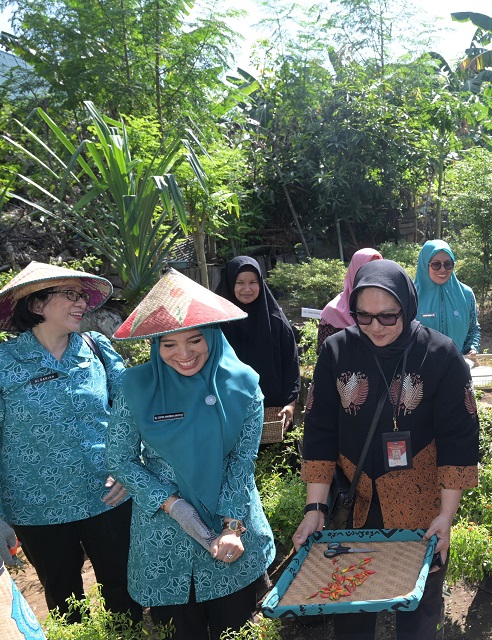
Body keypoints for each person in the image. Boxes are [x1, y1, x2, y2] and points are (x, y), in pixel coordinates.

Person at [294, 259, 479, 640]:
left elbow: (458, 439)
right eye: (363, 316)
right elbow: (320, 432)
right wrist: (314, 509)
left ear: (407, 307)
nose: (375, 327)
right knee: (350, 603)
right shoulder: (337, 351)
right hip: (355, 501)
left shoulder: (440, 354)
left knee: (420, 609)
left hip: (421, 506)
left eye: (388, 316)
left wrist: (446, 515)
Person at [107, 269, 275, 639]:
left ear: (212, 336)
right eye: (169, 344)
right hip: (164, 536)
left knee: (236, 627)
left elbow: (242, 461)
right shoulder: (135, 387)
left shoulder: (244, 385)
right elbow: (119, 458)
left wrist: (232, 526)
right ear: (156, 345)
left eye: (195, 340)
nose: (184, 354)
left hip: (229, 529)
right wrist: (173, 505)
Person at [0, 261, 140, 623]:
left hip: (107, 495)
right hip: (36, 506)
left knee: (124, 591)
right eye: (70, 295)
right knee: (64, 601)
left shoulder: (96, 348)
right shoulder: (4, 362)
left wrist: (129, 468)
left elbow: (131, 413)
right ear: (36, 304)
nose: (81, 303)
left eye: (82, 296)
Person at [215, 256, 300, 431]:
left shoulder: (276, 322)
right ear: (230, 283)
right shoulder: (216, 322)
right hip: (226, 411)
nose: (247, 289)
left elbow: (291, 364)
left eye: (253, 282)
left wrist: (290, 403)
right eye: (240, 283)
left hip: (272, 413)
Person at [413, 240, 480, 355]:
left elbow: (473, 329)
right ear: (425, 264)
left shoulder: (466, 295)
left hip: (457, 362)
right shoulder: (412, 296)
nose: (443, 269)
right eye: (436, 264)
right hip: (421, 364)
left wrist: (472, 348)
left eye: (448, 264)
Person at [318, 248, 383, 347]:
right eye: (367, 270)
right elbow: (324, 352)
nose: (373, 276)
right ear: (355, 272)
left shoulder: (388, 308)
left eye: (377, 270)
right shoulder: (333, 312)